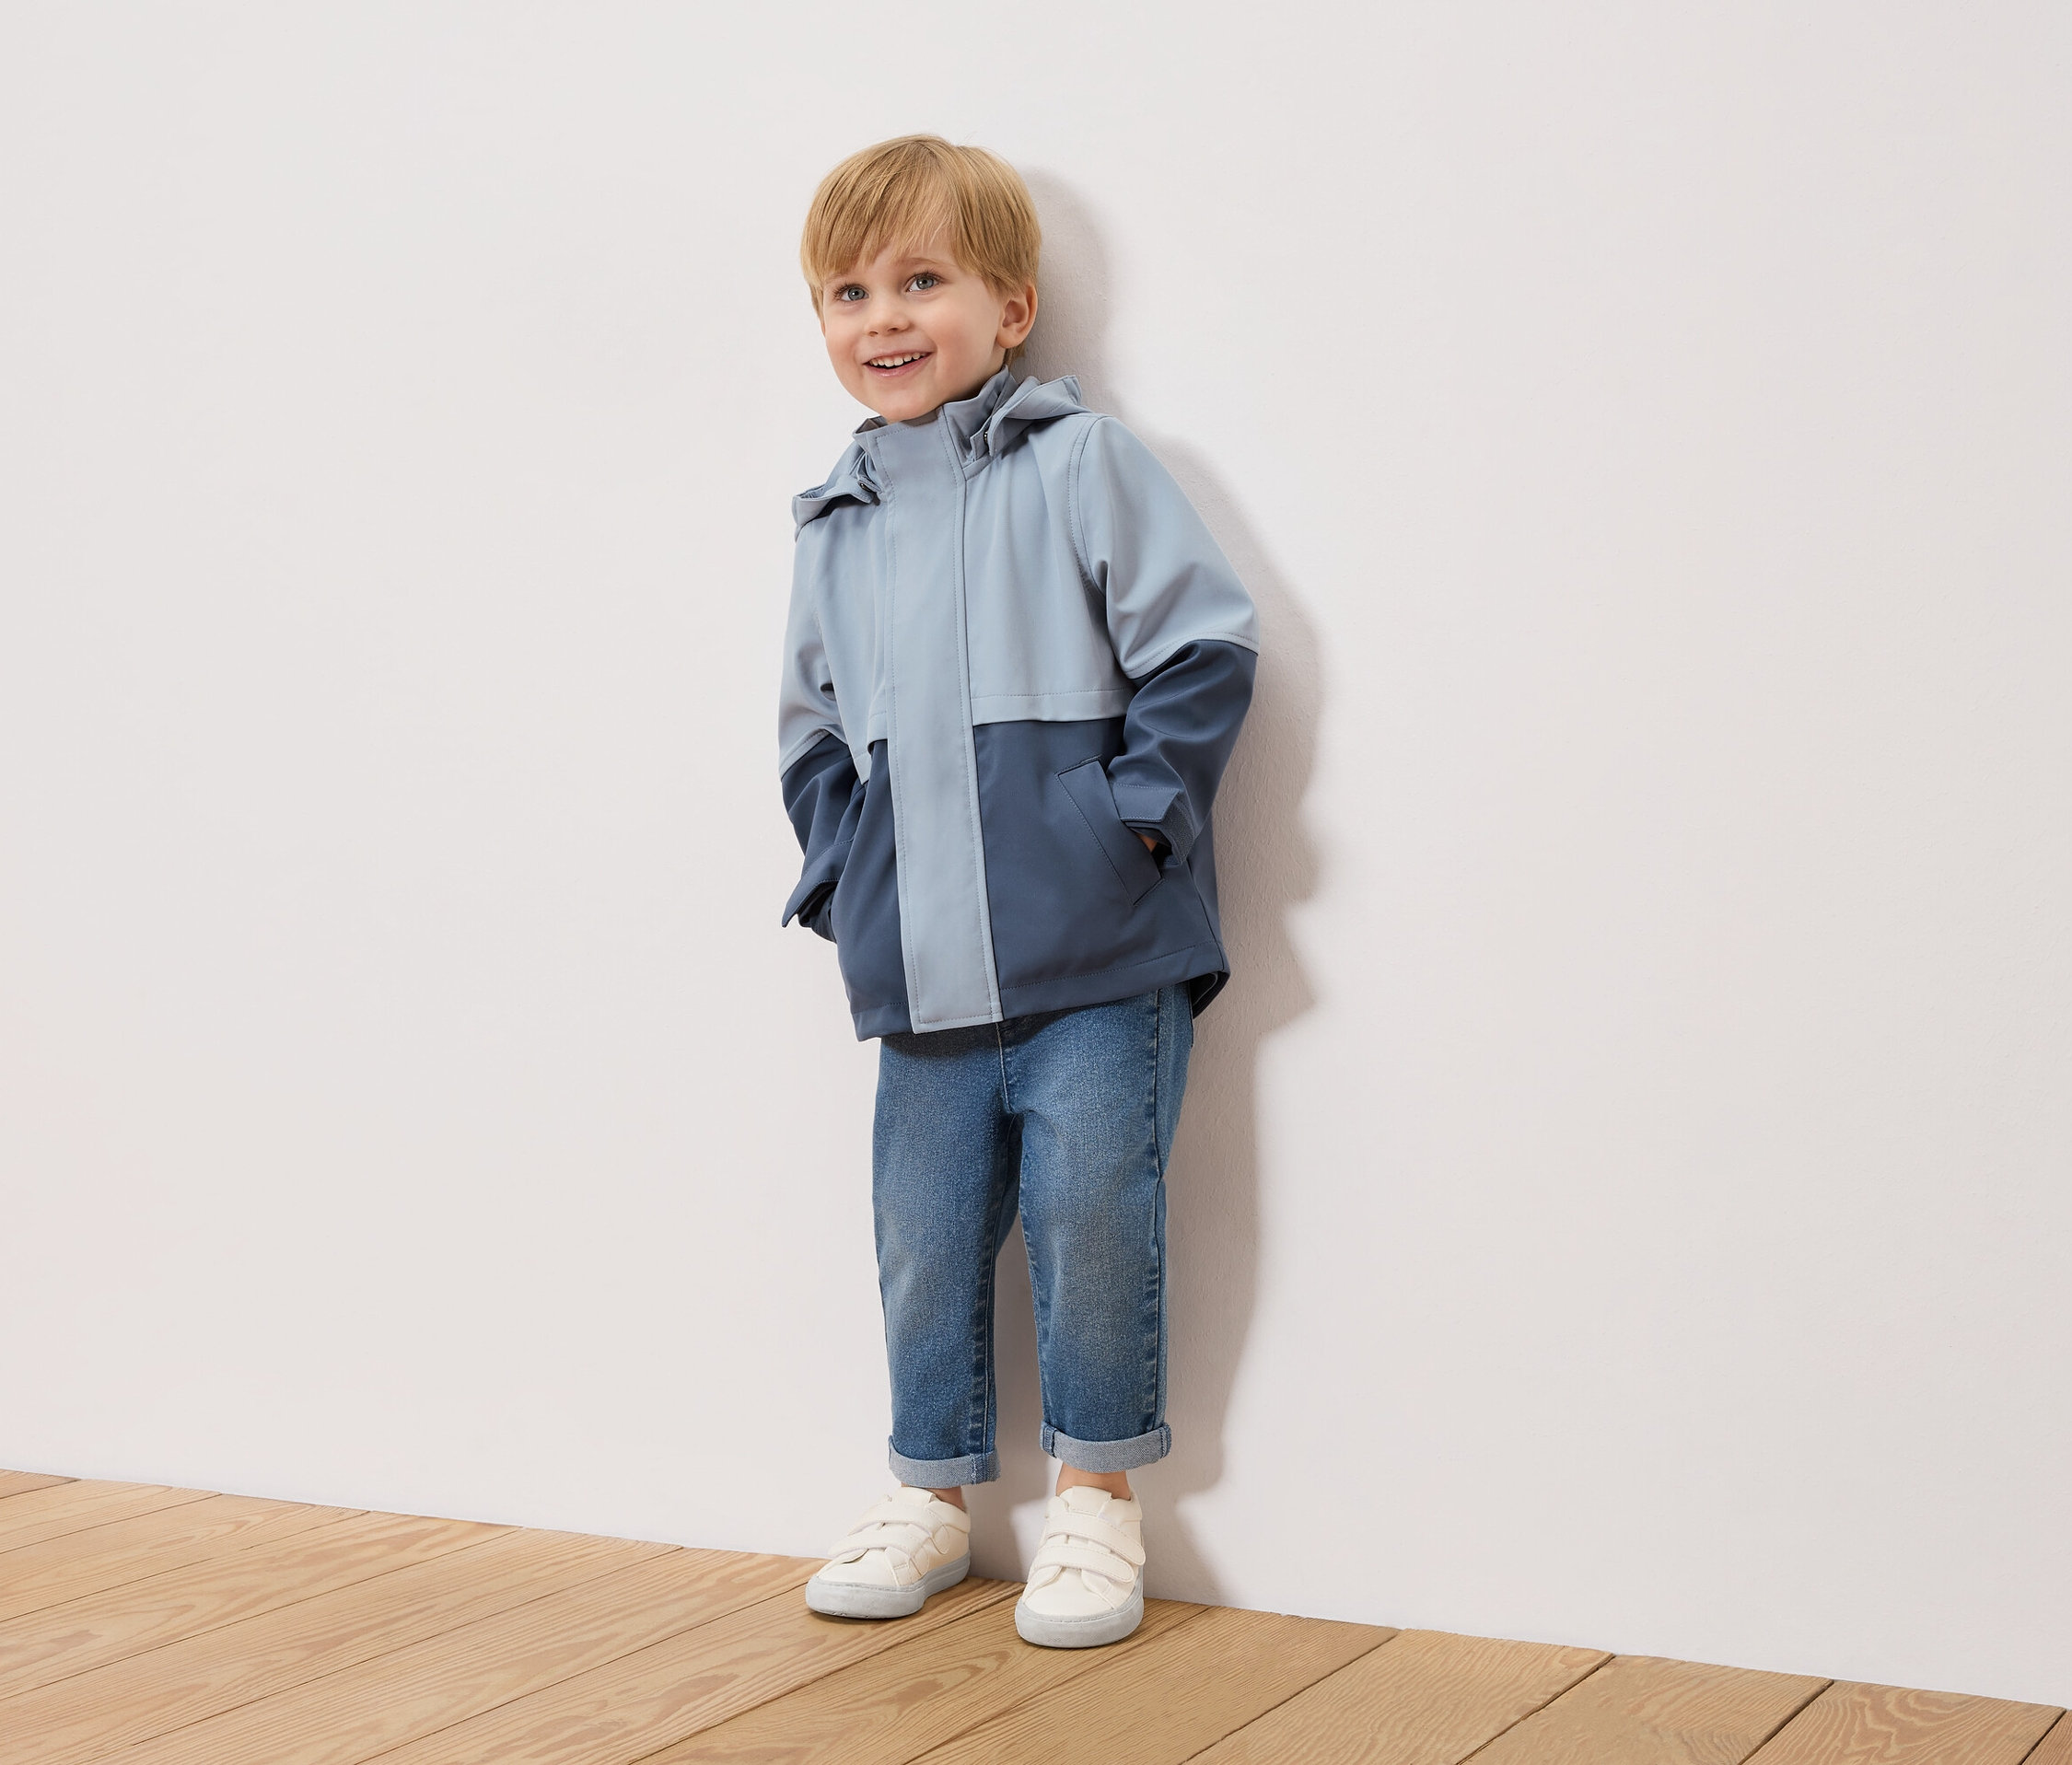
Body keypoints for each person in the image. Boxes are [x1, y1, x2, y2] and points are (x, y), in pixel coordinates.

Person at [777, 134, 1257, 1649]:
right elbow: (806, 732)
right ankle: (929, 1495)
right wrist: (847, 880)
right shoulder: (832, 521)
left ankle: (1097, 1504)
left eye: (921, 279)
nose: (884, 316)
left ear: (1012, 303)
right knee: (920, 1233)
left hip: (1097, 955)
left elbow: (1205, 647)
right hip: (918, 970)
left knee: (1090, 1217)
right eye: (848, 289)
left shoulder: (1082, 464)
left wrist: (1130, 824)